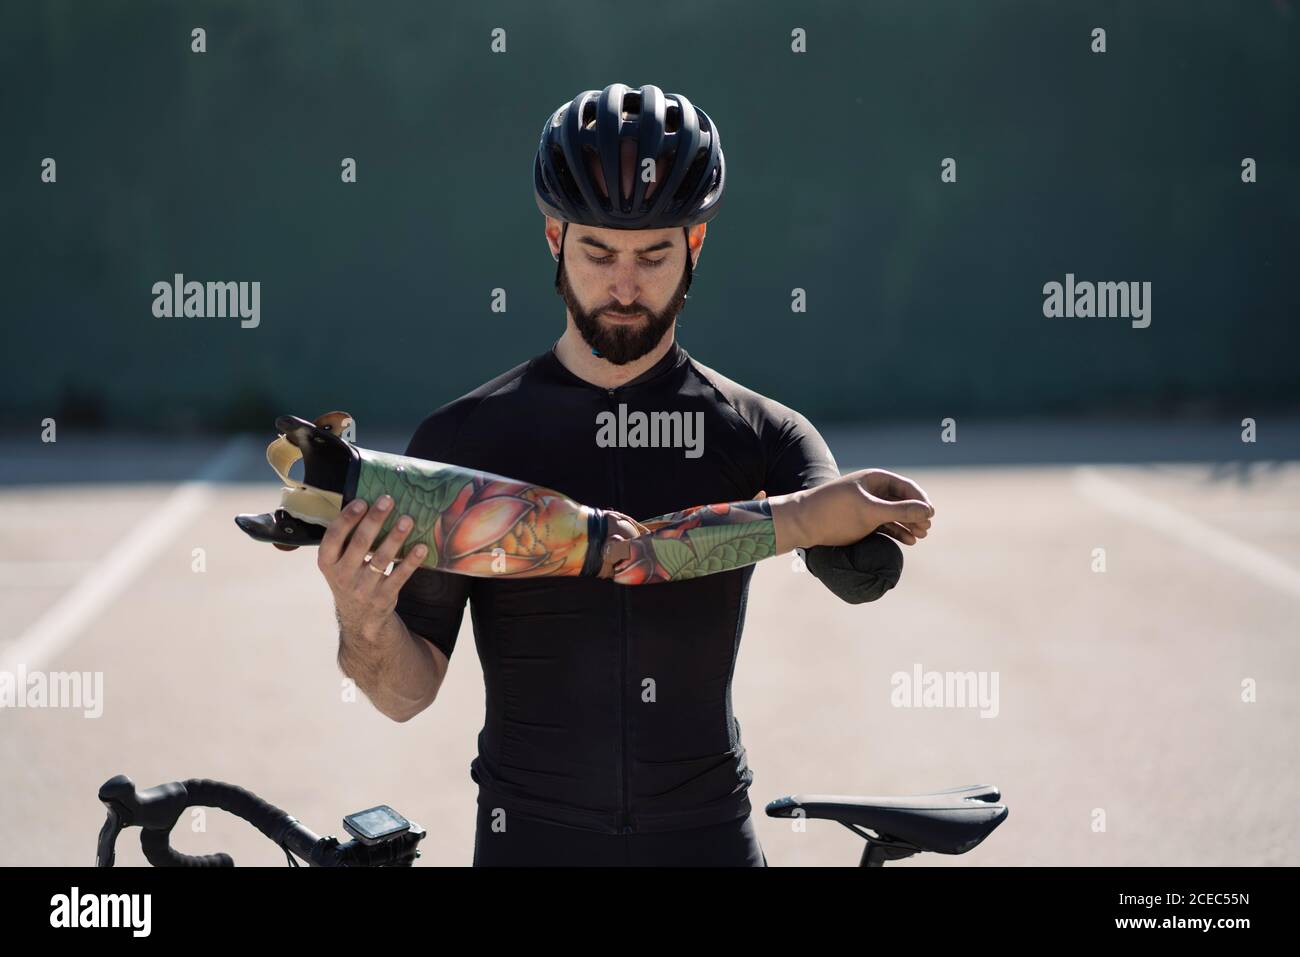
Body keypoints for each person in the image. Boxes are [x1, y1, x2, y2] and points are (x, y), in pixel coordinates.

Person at [321, 83, 934, 866]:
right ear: (553, 237)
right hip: (530, 840)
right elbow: (405, 694)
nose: (623, 286)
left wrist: (850, 532)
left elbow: (861, 573)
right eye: (597, 252)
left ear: (696, 245)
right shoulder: (463, 440)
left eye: (652, 255)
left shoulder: (762, 433)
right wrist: (363, 620)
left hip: (707, 836)